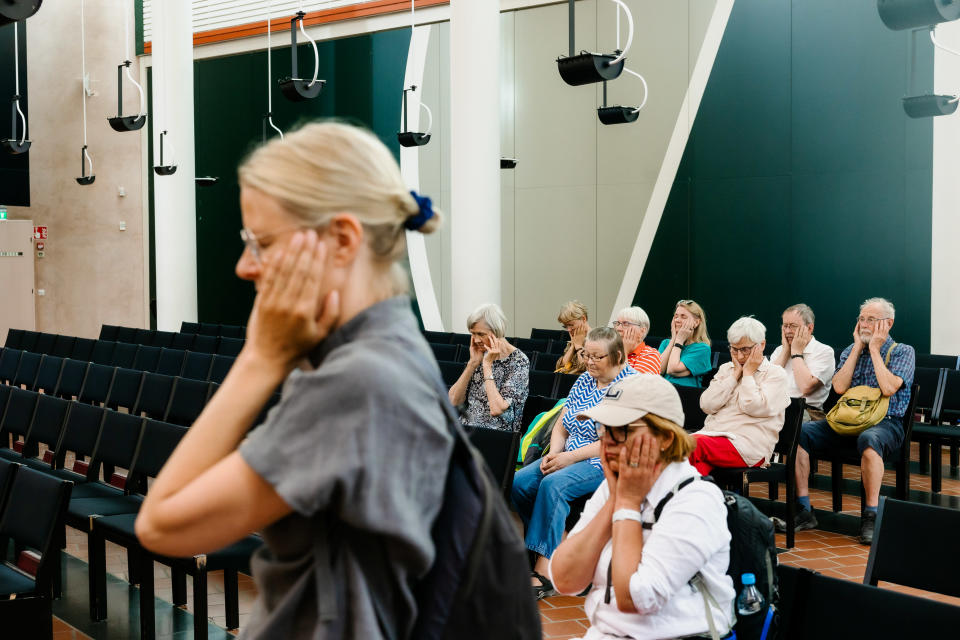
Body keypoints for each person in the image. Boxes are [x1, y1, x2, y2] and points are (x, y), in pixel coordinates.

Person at [135, 122, 455, 639]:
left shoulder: (356, 383)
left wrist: (261, 359)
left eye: (261, 242)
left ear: (344, 240)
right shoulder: (391, 351)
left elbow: (162, 524)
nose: (244, 266)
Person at [549, 374, 735, 640]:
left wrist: (626, 504)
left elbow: (636, 599)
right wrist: (616, 498)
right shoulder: (615, 485)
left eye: (622, 430)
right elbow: (565, 579)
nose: (607, 442)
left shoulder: (697, 499)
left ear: (666, 438)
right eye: (603, 429)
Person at [511, 327, 636, 599]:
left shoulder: (629, 386)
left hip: (605, 460)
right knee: (520, 483)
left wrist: (567, 458)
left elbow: (612, 442)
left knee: (553, 485)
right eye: (586, 355)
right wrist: (554, 453)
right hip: (568, 453)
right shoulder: (584, 381)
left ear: (616, 355)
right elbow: (562, 424)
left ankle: (545, 571)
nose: (589, 361)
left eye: (596, 357)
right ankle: (559, 545)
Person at [792, 298, 915, 544]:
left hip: (886, 423)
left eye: (872, 319)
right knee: (800, 432)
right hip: (847, 421)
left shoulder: (902, 351)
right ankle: (804, 510)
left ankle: (870, 516)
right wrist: (859, 348)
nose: (865, 324)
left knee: (869, 440)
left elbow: (889, 388)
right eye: (861, 319)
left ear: (888, 323)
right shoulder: (851, 350)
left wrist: (874, 350)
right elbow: (838, 387)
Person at [691, 317, 790, 476]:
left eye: (745, 349)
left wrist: (748, 375)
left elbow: (754, 407)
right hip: (713, 436)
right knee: (688, 465)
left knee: (690, 446)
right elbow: (707, 405)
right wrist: (734, 377)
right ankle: (697, 497)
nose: (740, 356)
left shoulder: (776, 374)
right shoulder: (727, 369)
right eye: (734, 349)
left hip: (749, 446)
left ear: (761, 345)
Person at [448, 303, 529, 432]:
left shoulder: (519, 360)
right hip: (466, 428)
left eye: (481, 334)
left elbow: (496, 409)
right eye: (473, 334)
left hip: (496, 433)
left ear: (497, 332)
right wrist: (472, 364)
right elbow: (453, 401)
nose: (476, 340)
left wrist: (487, 365)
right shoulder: (479, 354)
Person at [769, 304, 835, 421]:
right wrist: (785, 351)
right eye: (785, 326)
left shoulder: (824, 351)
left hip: (807, 412)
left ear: (809, 328)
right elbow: (767, 383)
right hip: (775, 408)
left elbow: (806, 387)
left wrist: (796, 352)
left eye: (793, 326)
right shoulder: (779, 350)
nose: (788, 331)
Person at [657, 300, 713, 387]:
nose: (677, 320)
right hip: (662, 391)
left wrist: (679, 341)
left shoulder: (702, 348)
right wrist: (673, 340)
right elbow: (658, 370)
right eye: (676, 316)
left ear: (696, 322)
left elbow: (672, 369)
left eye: (683, 317)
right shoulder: (665, 343)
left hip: (685, 394)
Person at [612, 306, 662, 375]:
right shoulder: (610, 350)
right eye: (617, 323)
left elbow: (633, 384)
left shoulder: (650, 355)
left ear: (642, 331)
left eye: (625, 324)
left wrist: (625, 352)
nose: (618, 328)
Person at [556, 300, 590, 375]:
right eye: (565, 326)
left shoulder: (598, 339)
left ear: (583, 319)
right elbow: (560, 367)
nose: (568, 329)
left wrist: (578, 346)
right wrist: (572, 346)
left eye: (571, 325)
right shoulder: (575, 337)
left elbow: (587, 369)